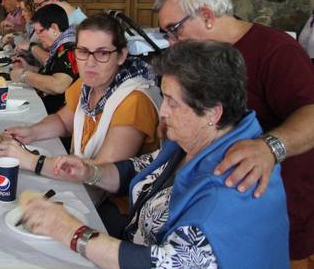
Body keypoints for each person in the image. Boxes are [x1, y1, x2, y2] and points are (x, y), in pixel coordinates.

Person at [21, 41, 289, 268]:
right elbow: (143, 169)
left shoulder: (233, 184)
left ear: (212, 112)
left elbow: (161, 263)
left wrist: (68, 230)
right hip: (133, 239)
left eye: (172, 102)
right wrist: (90, 171)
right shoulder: (195, 143)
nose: (162, 111)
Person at [154, 0, 314, 265]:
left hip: (272, 201)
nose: (172, 42)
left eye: (175, 30)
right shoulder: (205, 59)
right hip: (215, 201)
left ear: (207, 16)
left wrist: (270, 147)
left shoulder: (275, 50)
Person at [0, 13, 160, 177]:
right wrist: (31, 132)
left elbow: (104, 171)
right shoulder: (87, 84)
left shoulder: (135, 100)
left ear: (121, 56)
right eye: (83, 51)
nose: (90, 63)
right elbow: (63, 122)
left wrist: (32, 161)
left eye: (102, 53)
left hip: (109, 192)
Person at [10, 4, 79, 115]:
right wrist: (29, 68)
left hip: (56, 116)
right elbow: (53, 72)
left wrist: (24, 75)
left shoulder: (69, 49)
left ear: (54, 28)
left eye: (40, 31)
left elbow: (58, 85)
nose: (38, 37)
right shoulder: (61, 47)